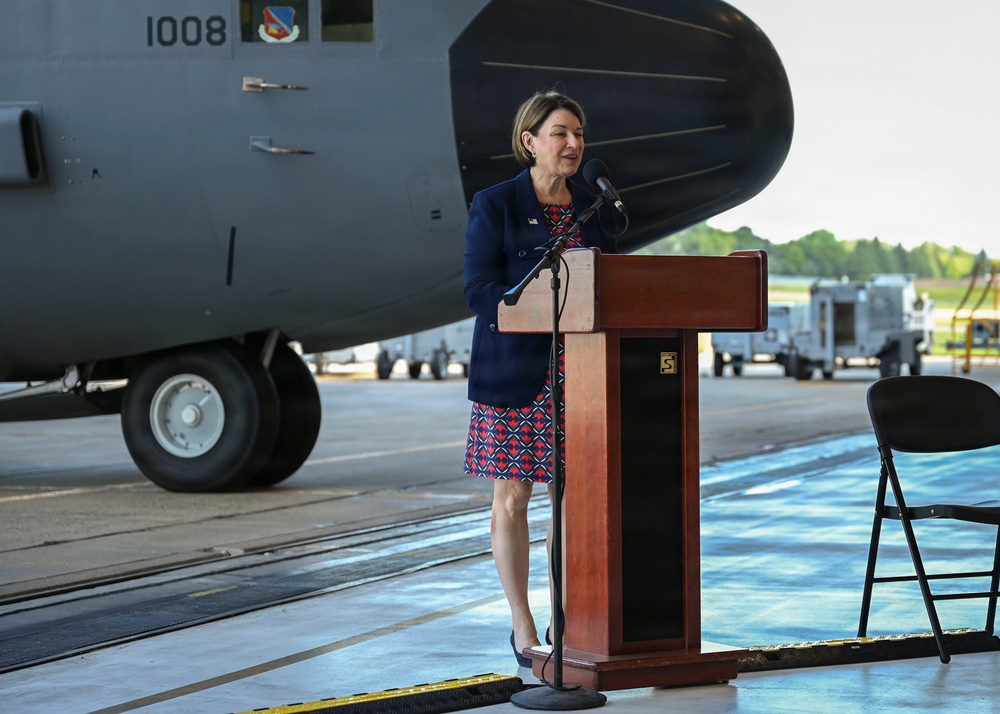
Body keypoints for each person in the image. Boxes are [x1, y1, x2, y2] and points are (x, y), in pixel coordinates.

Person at [462, 89, 621, 668]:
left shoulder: (592, 206)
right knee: (513, 497)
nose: (573, 144)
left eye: (578, 134)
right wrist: (526, 306)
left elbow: (614, 287)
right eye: (560, 133)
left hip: (581, 374)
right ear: (529, 141)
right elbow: (478, 290)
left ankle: (566, 615)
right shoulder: (496, 203)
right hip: (517, 372)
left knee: (570, 499)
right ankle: (523, 623)